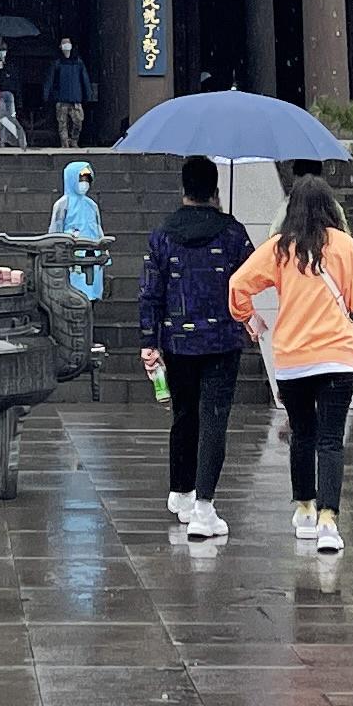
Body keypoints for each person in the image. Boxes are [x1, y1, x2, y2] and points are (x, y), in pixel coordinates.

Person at [226, 174, 353, 556]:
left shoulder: (279, 249)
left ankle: (305, 509)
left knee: (302, 434)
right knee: (331, 439)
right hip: (339, 357)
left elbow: (238, 284)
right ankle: (329, 520)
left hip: (293, 359)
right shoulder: (344, 245)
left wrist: (248, 318)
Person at [136, 153, 253, 541]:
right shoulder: (233, 233)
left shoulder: (163, 233)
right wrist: (249, 317)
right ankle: (204, 508)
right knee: (214, 420)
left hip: (177, 339)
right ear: (215, 189)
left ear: (184, 188)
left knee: (184, 415)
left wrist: (149, 341)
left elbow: (150, 292)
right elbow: (249, 279)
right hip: (222, 339)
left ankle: (181, 491)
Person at [50, 157, 106, 301]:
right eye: (80, 178)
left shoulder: (91, 204)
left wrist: (104, 249)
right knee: (76, 288)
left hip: (92, 252)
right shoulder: (62, 204)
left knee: (92, 288)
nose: (84, 183)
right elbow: (55, 229)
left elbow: (98, 227)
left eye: (87, 179)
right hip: (73, 253)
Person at [40, 34, 95, 152]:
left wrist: (88, 94)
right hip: (61, 98)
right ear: (60, 47)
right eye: (64, 44)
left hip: (76, 98)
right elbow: (50, 80)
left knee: (78, 122)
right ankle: (65, 144)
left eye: (68, 43)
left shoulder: (78, 62)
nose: (66, 46)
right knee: (62, 124)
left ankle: (74, 141)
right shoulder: (57, 63)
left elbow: (85, 79)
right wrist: (46, 94)